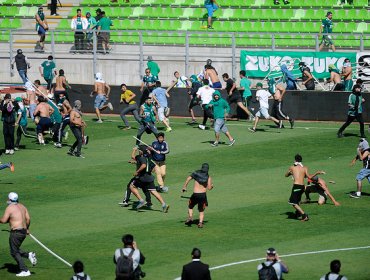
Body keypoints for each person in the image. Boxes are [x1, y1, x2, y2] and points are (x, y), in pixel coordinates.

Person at [0, 192, 37, 277]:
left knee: (14, 252)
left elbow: (4, 220)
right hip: (23, 232)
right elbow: (28, 219)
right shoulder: (22, 206)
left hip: (16, 233)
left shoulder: (9, 208)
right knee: (15, 249)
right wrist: (27, 228)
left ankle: (25, 270)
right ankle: (29, 255)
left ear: (9, 199)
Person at [129, 145, 170, 212]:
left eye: (139, 150)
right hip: (149, 177)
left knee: (132, 186)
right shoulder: (149, 158)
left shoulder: (140, 157)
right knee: (153, 191)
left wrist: (134, 150)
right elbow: (153, 168)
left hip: (142, 177)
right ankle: (164, 204)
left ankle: (141, 200)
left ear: (141, 152)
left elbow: (142, 164)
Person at [182, 163, 213, 228]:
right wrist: (212, 186)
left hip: (195, 194)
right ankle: (200, 223)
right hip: (203, 195)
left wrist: (184, 187)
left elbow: (188, 179)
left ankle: (190, 217)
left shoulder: (196, 173)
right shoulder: (208, 177)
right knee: (201, 210)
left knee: (190, 206)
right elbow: (209, 188)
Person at [285, 154, 310, 221]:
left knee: (293, 203)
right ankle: (298, 213)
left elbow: (286, 175)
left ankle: (304, 215)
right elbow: (308, 177)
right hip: (302, 187)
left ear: (295, 160)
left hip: (296, 186)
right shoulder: (305, 167)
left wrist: (290, 173)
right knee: (297, 201)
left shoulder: (292, 167)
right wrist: (317, 173)